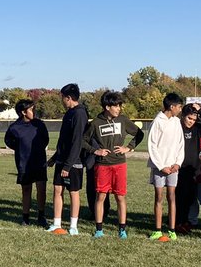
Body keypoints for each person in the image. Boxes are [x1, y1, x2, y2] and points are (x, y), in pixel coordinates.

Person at [84, 91, 143, 239]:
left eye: (120, 106)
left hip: (119, 164)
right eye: (116, 106)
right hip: (102, 166)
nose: (119, 109)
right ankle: (99, 229)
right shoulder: (96, 123)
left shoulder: (122, 120)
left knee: (120, 197)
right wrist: (95, 151)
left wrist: (128, 147)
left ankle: (122, 229)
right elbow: (82, 140)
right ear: (107, 106)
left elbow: (139, 134)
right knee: (101, 196)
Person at [47, 83, 90, 235]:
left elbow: (77, 141)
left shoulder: (80, 113)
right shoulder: (69, 113)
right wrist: (54, 158)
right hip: (61, 160)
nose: (62, 101)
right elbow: (63, 140)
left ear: (69, 98)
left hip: (74, 162)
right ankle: (56, 223)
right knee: (57, 189)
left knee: (73, 192)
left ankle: (73, 226)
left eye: (62, 98)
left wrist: (68, 165)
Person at [4, 98, 50, 226]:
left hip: (39, 161)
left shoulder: (39, 124)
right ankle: (25, 217)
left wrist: (37, 150)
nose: (34, 111)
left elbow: (46, 139)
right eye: (31, 109)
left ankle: (41, 216)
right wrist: (21, 149)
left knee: (41, 189)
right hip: (24, 163)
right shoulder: (14, 128)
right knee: (26, 190)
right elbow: (8, 141)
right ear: (23, 112)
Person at [146, 92, 184, 241]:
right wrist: (161, 166)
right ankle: (157, 229)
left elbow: (181, 145)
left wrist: (177, 163)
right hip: (159, 167)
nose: (180, 110)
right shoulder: (158, 121)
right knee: (159, 197)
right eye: (179, 107)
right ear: (171, 106)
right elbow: (152, 146)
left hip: (173, 167)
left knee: (172, 197)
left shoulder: (176, 121)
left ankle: (172, 229)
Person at [174, 101, 201, 233]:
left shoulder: (197, 129)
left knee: (191, 197)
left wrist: (200, 111)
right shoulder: (176, 127)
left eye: (194, 119)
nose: (191, 121)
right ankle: (179, 222)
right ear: (183, 116)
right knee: (181, 198)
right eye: (189, 118)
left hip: (193, 169)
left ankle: (186, 222)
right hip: (178, 168)